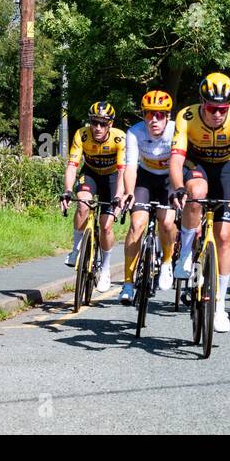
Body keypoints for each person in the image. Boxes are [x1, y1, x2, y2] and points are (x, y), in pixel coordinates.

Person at [169, 73, 230, 334]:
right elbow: (175, 160)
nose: (217, 114)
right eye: (212, 108)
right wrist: (178, 187)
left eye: (222, 109)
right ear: (201, 102)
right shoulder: (186, 116)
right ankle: (185, 253)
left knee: (224, 235)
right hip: (196, 165)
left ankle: (220, 305)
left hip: (225, 170)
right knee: (196, 191)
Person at [118, 91, 177, 304]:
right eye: (149, 114)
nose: (154, 119)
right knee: (136, 224)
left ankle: (167, 263)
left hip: (169, 179)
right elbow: (131, 166)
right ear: (143, 115)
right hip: (145, 178)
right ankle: (127, 283)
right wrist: (129, 192)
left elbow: (180, 163)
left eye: (160, 115)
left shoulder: (176, 131)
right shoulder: (134, 132)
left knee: (167, 221)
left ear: (168, 116)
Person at [62, 102, 127, 292]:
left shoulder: (119, 138)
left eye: (103, 123)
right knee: (82, 203)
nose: (97, 128)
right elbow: (73, 165)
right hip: (90, 173)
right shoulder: (82, 134)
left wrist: (118, 196)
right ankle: (76, 250)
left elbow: (123, 171)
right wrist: (67, 190)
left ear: (110, 124)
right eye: (94, 122)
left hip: (113, 177)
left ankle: (105, 268)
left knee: (106, 226)